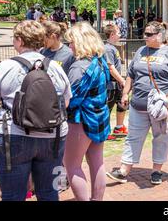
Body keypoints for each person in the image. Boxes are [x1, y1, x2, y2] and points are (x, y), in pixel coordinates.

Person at [0, 20, 72, 201]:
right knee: (49, 193)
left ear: (19, 40)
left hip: (14, 135)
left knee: (12, 195)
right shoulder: (55, 67)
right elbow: (65, 103)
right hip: (52, 137)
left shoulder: (4, 67)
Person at [106, 21, 168, 185]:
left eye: (149, 34)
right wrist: (125, 93)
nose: (145, 37)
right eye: (145, 33)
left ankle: (156, 171)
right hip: (139, 105)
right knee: (133, 137)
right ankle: (124, 171)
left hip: (162, 107)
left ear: (160, 35)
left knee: (161, 138)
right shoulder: (140, 51)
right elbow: (131, 74)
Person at [63, 22, 111, 201]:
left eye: (72, 42)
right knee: (97, 163)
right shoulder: (100, 60)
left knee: (72, 166)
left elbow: (70, 99)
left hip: (80, 120)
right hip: (99, 116)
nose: (70, 46)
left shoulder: (79, 66)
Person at [104, 24, 128, 139]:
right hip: (111, 84)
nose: (120, 35)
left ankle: (119, 127)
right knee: (108, 107)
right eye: (118, 33)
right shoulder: (108, 48)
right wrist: (122, 80)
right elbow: (111, 68)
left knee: (121, 104)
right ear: (112, 35)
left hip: (117, 83)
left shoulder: (113, 48)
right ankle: (106, 131)